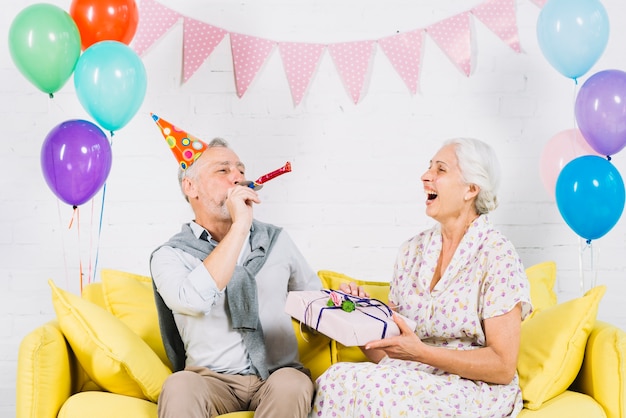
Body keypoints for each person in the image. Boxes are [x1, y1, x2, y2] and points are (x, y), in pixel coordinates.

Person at [313, 137, 532, 418]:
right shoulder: (411, 251)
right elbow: (390, 355)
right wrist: (361, 319)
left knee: (378, 389)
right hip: (410, 375)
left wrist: (422, 353)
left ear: (471, 189)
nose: (425, 176)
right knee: (336, 379)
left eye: (440, 170)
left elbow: (502, 366)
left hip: (473, 388)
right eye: (429, 168)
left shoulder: (496, 254)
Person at [149, 118, 320, 418]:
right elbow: (194, 300)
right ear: (191, 187)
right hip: (209, 381)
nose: (238, 177)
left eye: (241, 169)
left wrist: (342, 306)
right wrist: (240, 225)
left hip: (276, 376)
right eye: (223, 170)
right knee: (178, 386)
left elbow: (315, 306)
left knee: (293, 384)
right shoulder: (169, 256)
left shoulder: (277, 240)